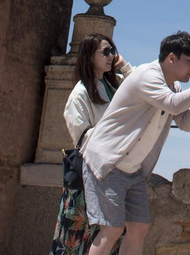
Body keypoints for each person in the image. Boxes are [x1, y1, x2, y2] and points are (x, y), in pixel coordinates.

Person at [81, 31, 190, 255]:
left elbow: (184, 122)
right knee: (112, 230)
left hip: (132, 169)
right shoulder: (149, 75)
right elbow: (174, 105)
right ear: (171, 58)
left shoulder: (172, 87)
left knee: (139, 228)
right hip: (109, 162)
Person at [51, 34, 132, 255]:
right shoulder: (80, 93)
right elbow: (83, 137)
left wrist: (123, 66)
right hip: (88, 176)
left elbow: (141, 89)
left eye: (112, 50)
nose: (111, 56)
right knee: (75, 241)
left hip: (112, 174)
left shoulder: (114, 85)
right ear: (89, 56)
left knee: (109, 239)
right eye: (105, 52)